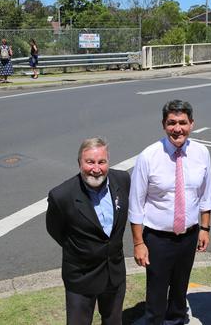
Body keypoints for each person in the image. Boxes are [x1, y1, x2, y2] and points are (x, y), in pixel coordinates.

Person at [129, 100, 211, 325]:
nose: (178, 129)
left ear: (192, 124)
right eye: (172, 123)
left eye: (183, 123)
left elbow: (206, 195)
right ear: (163, 125)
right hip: (157, 238)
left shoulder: (201, 153)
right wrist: (139, 243)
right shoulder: (148, 156)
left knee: (180, 290)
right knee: (156, 296)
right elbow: (136, 205)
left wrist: (205, 228)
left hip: (189, 236)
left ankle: (176, 320)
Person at [46, 137, 130, 325]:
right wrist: (84, 248)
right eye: (90, 162)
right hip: (81, 277)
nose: (96, 168)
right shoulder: (62, 196)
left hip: (114, 273)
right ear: (79, 163)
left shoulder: (122, 180)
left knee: (114, 321)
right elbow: (55, 230)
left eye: (102, 162)